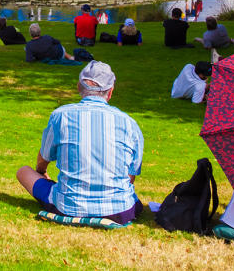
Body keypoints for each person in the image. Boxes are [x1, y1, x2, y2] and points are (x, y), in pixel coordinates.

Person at [16, 61, 143, 224]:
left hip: (68, 206)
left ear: (78, 87)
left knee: (23, 171)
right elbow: (130, 176)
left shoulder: (61, 115)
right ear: (110, 92)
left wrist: (41, 172)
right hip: (119, 210)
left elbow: (44, 156)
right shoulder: (129, 123)